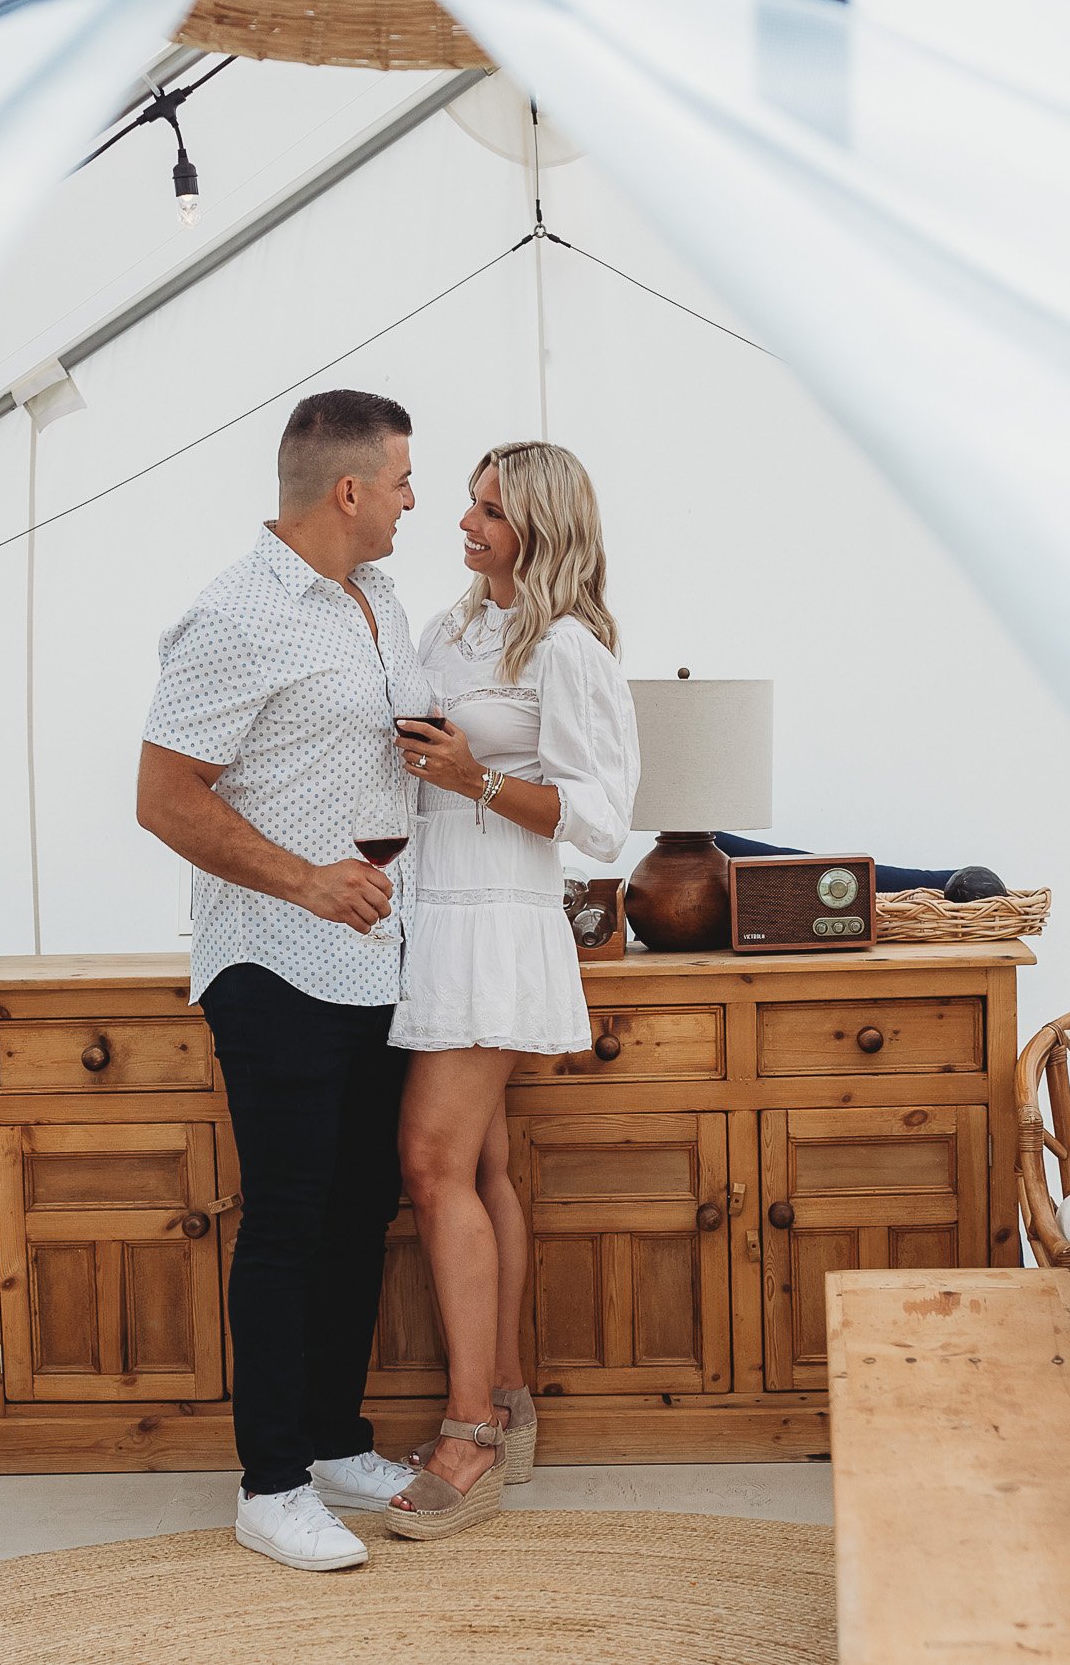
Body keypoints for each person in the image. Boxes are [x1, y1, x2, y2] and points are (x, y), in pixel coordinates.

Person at [136, 388, 436, 1572]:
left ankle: (332, 1439)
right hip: (273, 961)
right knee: (289, 1223)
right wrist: (305, 881)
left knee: (360, 1213)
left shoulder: (380, 599)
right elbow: (164, 797)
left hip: (379, 960)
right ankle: (269, 1483)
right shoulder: (233, 616)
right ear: (348, 489)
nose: (413, 499)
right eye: (403, 480)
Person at [382, 441, 639, 1540]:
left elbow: (601, 821)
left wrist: (474, 776)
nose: (465, 522)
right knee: (480, 1166)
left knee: (430, 1164)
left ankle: (468, 1433)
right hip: (428, 913)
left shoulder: (568, 647)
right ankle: (511, 1400)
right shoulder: (447, 630)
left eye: (490, 509)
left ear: (540, 525)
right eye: (468, 503)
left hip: (496, 924)